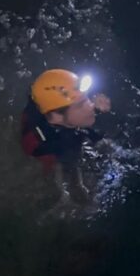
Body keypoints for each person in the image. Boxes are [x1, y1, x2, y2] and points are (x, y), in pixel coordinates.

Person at [21, 68, 111, 205]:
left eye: (87, 98)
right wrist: (76, 186)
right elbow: (63, 164)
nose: (91, 106)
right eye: (81, 105)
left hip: (63, 127)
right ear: (56, 116)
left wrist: (97, 110)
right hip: (49, 149)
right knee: (65, 192)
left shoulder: (58, 111)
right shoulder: (49, 143)